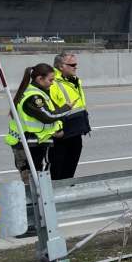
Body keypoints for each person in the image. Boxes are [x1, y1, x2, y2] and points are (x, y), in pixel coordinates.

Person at [4, 63, 68, 184]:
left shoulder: (35, 92)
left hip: (29, 143)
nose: (52, 83)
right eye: (50, 80)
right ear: (39, 79)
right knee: (32, 180)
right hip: (29, 144)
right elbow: (48, 116)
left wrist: (57, 130)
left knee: (33, 178)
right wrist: (66, 108)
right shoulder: (34, 97)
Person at [47, 52, 87, 180]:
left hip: (75, 132)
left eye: (76, 64)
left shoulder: (74, 81)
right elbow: (50, 110)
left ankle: (65, 193)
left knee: (69, 171)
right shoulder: (53, 83)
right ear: (60, 66)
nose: (76, 67)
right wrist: (57, 131)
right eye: (72, 64)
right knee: (56, 172)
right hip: (61, 135)